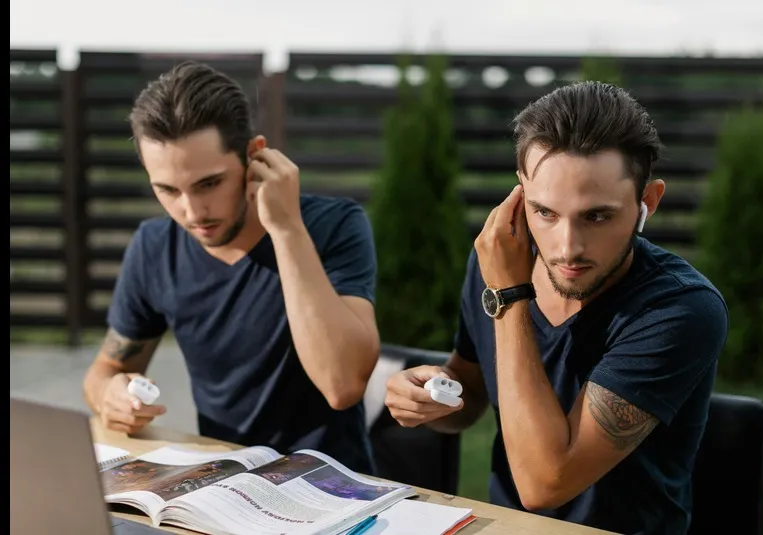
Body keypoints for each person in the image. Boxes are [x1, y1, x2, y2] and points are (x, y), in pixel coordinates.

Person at [384, 81, 729, 534]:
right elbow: (469, 395)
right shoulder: (499, 260)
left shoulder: (681, 308)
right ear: (519, 197)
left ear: (648, 202)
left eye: (597, 216)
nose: (567, 248)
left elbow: (545, 484)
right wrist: (426, 396)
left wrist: (509, 296)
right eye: (544, 212)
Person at [82, 61, 381, 475]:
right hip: (223, 483)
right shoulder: (154, 247)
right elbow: (106, 369)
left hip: (330, 485)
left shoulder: (334, 227)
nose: (191, 212)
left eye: (209, 184)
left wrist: (287, 229)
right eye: (167, 189)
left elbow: (343, 385)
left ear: (254, 157)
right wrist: (108, 396)